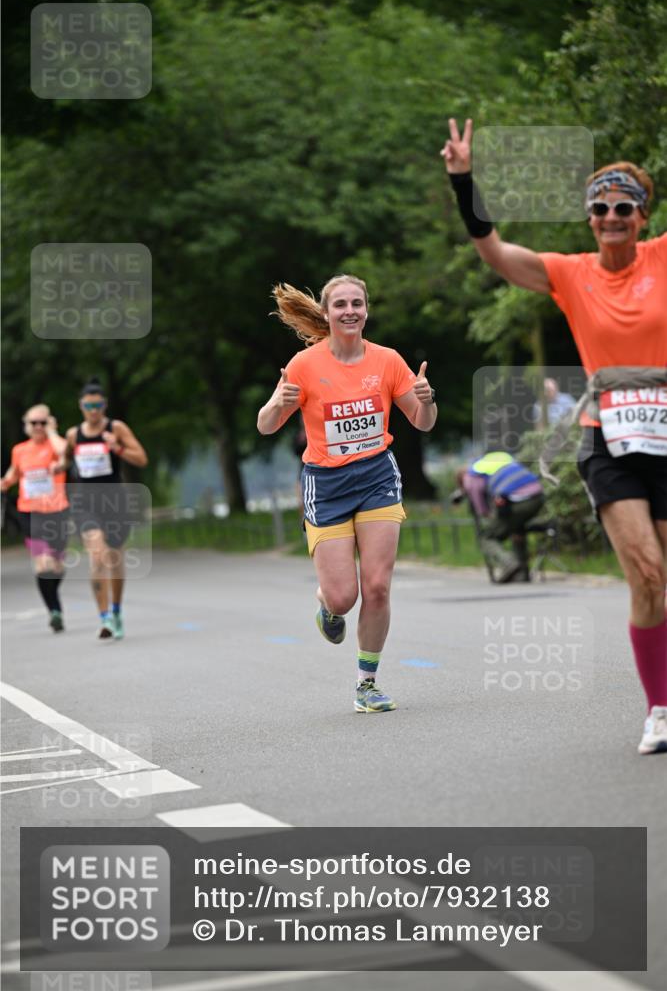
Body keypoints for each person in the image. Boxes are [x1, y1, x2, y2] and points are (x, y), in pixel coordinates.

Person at [443, 118, 667, 754]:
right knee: (647, 576)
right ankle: (659, 709)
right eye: (600, 208)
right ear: (589, 220)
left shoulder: (662, 256)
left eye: (623, 207)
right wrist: (464, 182)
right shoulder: (569, 273)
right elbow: (493, 248)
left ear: (642, 216)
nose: (611, 216)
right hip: (608, 441)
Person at [257, 275, 437, 712]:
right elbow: (265, 425)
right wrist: (279, 402)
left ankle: (367, 683)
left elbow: (423, 422)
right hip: (328, 485)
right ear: (327, 312)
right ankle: (327, 603)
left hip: (377, 477)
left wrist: (426, 400)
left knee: (376, 587)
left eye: (357, 303)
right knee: (344, 596)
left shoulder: (388, 360)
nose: (350, 310)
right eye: (341, 304)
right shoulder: (304, 365)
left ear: (366, 310)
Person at [64, 379, 148, 640]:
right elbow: (66, 458)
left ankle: (117, 610)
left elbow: (142, 459)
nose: (93, 410)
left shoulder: (116, 428)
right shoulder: (73, 434)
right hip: (85, 503)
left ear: (104, 405)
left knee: (114, 559)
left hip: (114, 502)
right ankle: (104, 618)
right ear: (81, 406)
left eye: (98, 404)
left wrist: (117, 448)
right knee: (97, 556)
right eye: (89, 405)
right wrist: (59, 468)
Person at [0, 405, 69, 631]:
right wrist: (5, 483)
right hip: (30, 512)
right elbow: (14, 472)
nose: (38, 426)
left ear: (49, 422)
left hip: (57, 511)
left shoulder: (55, 444)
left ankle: (53, 598)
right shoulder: (20, 450)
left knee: (57, 566)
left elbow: (66, 453)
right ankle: (54, 611)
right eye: (33, 423)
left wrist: (52, 432)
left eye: (42, 422)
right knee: (43, 564)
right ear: (26, 426)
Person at [456, 451, 545, 583]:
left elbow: (482, 509)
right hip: (538, 495)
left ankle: (509, 563)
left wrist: (488, 516)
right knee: (516, 527)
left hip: (517, 499)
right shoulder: (493, 461)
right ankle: (522, 574)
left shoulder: (470, 476)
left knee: (486, 537)